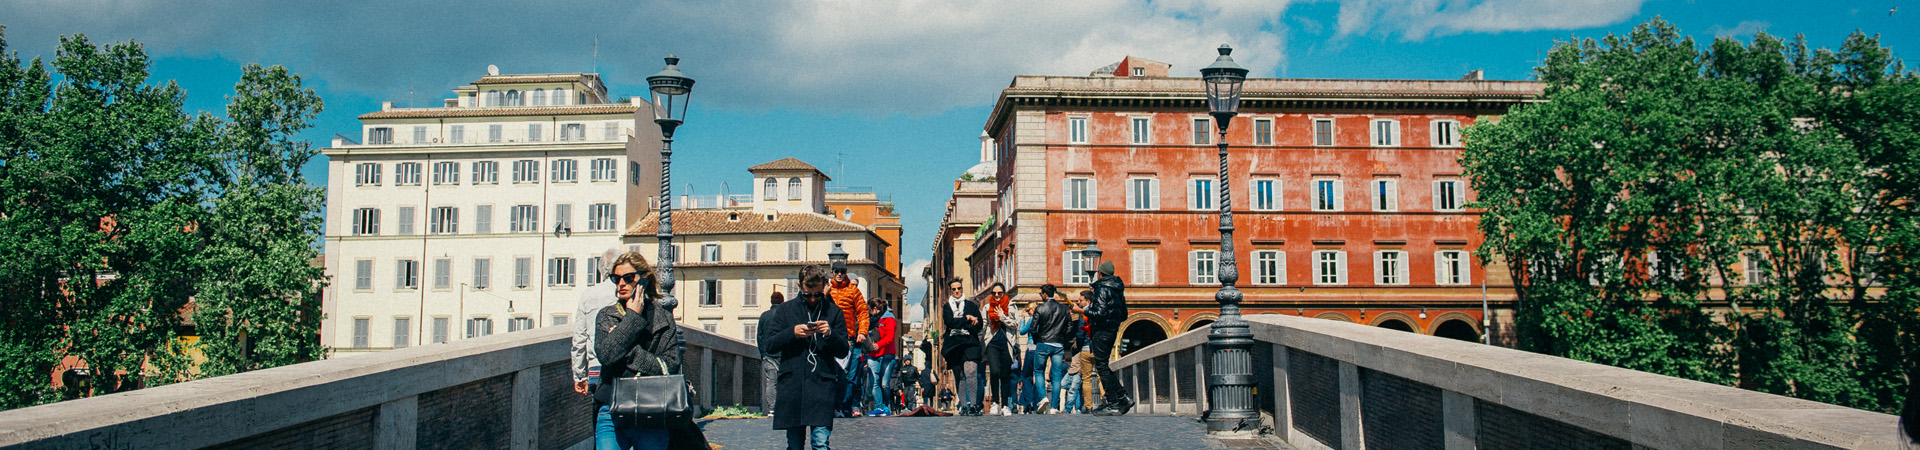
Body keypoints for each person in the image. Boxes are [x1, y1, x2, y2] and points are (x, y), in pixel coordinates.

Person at [592, 252, 684, 449]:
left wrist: (628, 351)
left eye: (628, 278)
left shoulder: (662, 318)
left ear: (643, 280)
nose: (621, 284)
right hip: (611, 409)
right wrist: (632, 317)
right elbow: (606, 356)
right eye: (616, 279)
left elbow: (670, 366)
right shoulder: (607, 316)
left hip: (652, 409)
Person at [759, 265, 850, 450]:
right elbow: (770, 344)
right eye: (808, 295)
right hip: (793, 385)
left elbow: (843, 351)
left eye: (817, 294)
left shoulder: (834, 312)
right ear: (799, 286)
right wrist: (792, 332)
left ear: (824, 286)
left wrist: (830, 334)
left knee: (820, 442)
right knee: (794, 445)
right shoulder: (785, 311)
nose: (814, 299)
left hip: (821, 385)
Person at [1085, 261, 1135, 416]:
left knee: (1102, 367)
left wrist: (1084, 310)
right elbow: (1124, 314)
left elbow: (1099, 313)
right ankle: (1122, 397)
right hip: (1112, 331)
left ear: (1100, 273)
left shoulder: (1102, 288)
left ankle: (1113, 403)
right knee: (1104, 366)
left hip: (1101, 331)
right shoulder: (1118, 288)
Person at [573, 249, 622, 398]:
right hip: (624, 367)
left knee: (601, 409)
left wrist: (579, 376)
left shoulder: (588, 295)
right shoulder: (627, 293)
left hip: (596, 366)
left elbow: (579, 338)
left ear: (601, 270)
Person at [827, 269, 870, 416]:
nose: (839, 274)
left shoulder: (853, 291)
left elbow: (863, 312)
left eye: (842, 271)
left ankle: (845, 406)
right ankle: (837, 406)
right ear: (832, 272)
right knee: (836, 374)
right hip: (832, 338)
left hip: (851, 338)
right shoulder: (827, 290)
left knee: (850, 376)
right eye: (837, 271)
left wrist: (862, 332)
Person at [939, 278, 985, 415]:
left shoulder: (971, 305)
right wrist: (967, 319)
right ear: (951, 290)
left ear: (962, 288)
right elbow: (950, 322)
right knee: (960, 375)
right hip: (953, 344)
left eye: (959, 288)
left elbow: (979, 324)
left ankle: (974, 404)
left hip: (970, 342)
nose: (957, 291)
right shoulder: (947, 307)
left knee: (970, 371)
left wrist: (966, 322)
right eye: (954, 289)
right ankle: (964, 406)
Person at [1027, 284, 1073, 414]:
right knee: (1056, 376)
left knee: (1039, 371)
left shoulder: (1040, 308)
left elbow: (1033, 327)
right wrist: (1063, 339)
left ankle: (1043, 397)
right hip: (1058, 345)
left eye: (1041, 294)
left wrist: (1037, 340)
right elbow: (1070, 327)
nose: (1041, 296)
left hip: (1043, 342)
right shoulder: (1064, 308)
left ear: (1045, 294)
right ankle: (1054, 407)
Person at [981, 283, 1015, 416]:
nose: (996, 296)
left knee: (1005, 374)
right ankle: (995, 402)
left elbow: (1015, 324)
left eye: (999, 293)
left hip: (1006, 343)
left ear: (1004, 293)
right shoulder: (987, 307)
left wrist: (1002, 317)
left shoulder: (1011, 306)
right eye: (994, 293)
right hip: (992, 343)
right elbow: (984, 324)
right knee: (994, 372)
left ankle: (1005, 404)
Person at [864, 298, 898, 416]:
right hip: (872, 354)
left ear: (875, 309)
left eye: (869, 309)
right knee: (874, 382)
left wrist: (878, 345)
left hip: (887, 354)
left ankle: (885, 406)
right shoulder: (870, 320)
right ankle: (879, 406)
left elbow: (890, 337)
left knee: (884, 384)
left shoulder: (889, 319)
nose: (868, 312)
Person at [758, 291, 787, 416]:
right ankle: (784, 407)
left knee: (771, 382)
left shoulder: (764, 316)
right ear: (782, 301)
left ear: (771, 302)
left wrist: (763, 354)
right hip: (784, 354)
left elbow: (759, 336)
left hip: (768, 355)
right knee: (785, 382)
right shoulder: (785, 316)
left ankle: (772, 409)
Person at [1075, 290, 1101, 412]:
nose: (1078, 302)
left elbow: (1080, 334)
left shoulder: (1082, 315)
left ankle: (1089, 406)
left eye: (1080, 300)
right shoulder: (1098, 312)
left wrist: (1079, 347)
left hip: (1085, 349)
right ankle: (1105, 400)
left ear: (1088, 301)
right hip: (1098, 348)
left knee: (1086, 379)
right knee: (1102, 376)